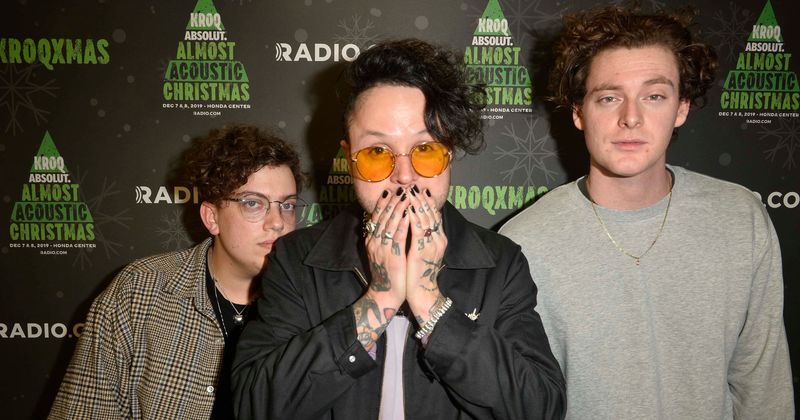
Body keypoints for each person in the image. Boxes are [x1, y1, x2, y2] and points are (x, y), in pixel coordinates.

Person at [232, 39, 566, 420]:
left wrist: (430, 302)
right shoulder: (296, 261)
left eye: (425, 149)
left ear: (449, 154)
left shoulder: (500, 264)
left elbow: (539, 408)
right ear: (350, 159)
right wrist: (378, 299)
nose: (404, 176)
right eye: (377, 153)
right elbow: (253, 405)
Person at [500, 5, 794, 419]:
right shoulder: (523, 244)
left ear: (681, 108)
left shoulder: (739, 218)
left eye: (654, 96)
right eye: (609, 98)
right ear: (579, 112)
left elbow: (763, 389)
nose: (631, 118)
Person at [48, 125, 305, 419]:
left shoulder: (312, 301)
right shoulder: (139, 291)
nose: (277, 222)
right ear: (212, 217)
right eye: (253, 203)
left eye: (287, 205)